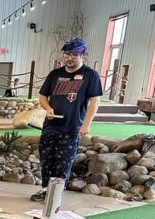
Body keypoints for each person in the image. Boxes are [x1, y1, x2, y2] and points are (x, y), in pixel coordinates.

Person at [30, 38, 102, 201]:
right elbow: (42, 96)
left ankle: (55, 194)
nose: (70, 58)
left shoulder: (91, 75)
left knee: (63, 163)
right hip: (51, 125)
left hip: (71, 127)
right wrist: (48, 108)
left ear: (83, 55)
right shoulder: (55, 74)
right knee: (47, 160)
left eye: (74, 54)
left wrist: (86, 124)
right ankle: (45, 189)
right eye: (67, 54)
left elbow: (95, 101)